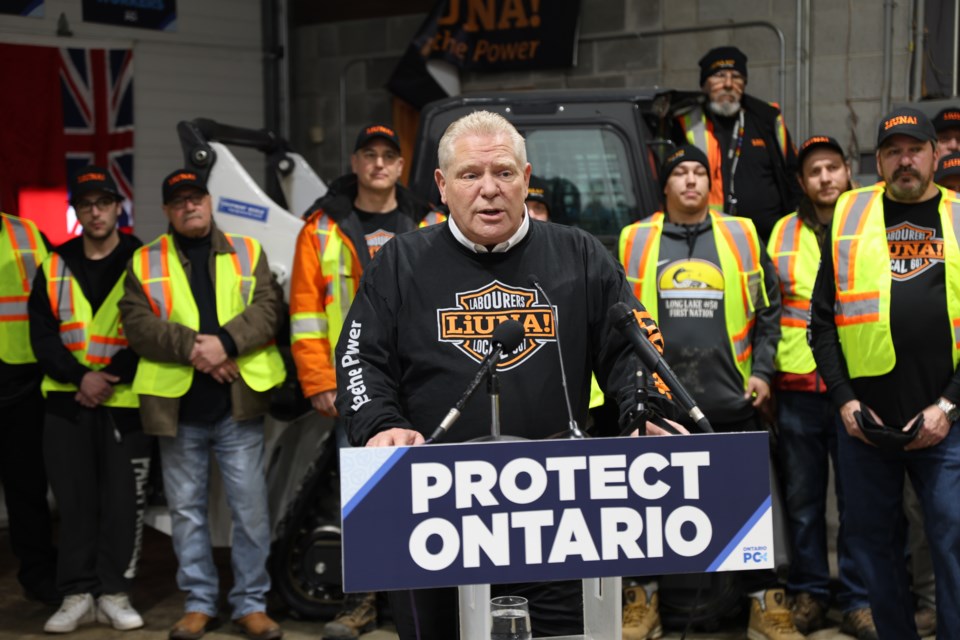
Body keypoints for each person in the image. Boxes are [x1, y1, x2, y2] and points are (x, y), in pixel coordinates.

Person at [333, 110, 675, 640]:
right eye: (471, 175)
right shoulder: (399, 262)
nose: (489, 190)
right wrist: (380, 424)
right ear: (443, 186)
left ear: (526, 178)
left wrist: (639, 412)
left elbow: (631, 345)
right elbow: (360, 359)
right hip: (434, 508)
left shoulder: (579, 255)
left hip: (559, 509)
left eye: (504, 174)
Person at [619, 145, 800, 640]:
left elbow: (769, 310)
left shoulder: (740, 233)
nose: (692, 181)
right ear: (666, 185)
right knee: (650, 505)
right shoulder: (634, 239)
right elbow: (619, 321)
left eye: (700, 171)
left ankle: (767, 604)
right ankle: (644, 599)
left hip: (733, 398)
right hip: (662, 404)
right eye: (681, 172)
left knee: (750, 505)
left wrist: (762, 372)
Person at [810, 107, 960, 639]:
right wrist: (846, 401)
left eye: (915, 149)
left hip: (945, 422)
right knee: (873, 544)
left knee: (952, 541)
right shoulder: (850, 214)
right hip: (865, 424)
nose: (905, 161)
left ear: (935, 154)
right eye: (893, 151)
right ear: (878, 160)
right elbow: (822, 323)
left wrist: (947, 407)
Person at [289, 123, 443, 640]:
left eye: (388, 156)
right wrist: (318, 379)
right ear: (355, 163)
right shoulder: (321, 228)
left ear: (400, 168)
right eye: (369, 155)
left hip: (425, 379)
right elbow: (305, 313)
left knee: (431, 493)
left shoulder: (429, 220)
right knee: (363, 495)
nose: (379, 164)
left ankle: (425, 604)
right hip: (357, 382)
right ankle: (362, 603)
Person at [118, 169, 285, 640]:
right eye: (179, 202)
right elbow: (136, 324)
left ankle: (250, 603)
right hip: (178, 411)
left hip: (237, 408)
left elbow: (270, 306)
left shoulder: (248, 250)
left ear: (209, 203)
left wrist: (226, 342)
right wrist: (199, 349)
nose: (190, 207)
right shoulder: (146, 260)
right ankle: (199, 603)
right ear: (168, 211)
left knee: (250, 510)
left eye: (197, 198)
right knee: (187, 513)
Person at [27, 166, 150, 633]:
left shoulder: (144, 260)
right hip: (67, 401)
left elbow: (155, 327)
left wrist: (112, 375)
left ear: (119, 208)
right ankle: (77, 593)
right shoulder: (54, 263)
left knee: (122, 503)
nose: (95, 212)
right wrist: (81, 376)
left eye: (104, 203)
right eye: (86, 205)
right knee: (74, 503)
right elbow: (42, 334)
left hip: (125, 401)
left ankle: (115, 593)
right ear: (77, 212)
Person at [766, 138, 877, 639]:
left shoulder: (869, 221)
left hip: (856, 386)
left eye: (833, 167)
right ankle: (810, 591)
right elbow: (769, 308)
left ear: (849, 171)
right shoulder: (782, 233)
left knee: (858, 500)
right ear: (802, 182)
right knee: (804, 500)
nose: (826, 178)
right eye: (815, 171)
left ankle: (857, 598)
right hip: (796, 388)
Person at [675, 46, 802, 243]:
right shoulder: (686, 123)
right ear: (704, 84)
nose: (728, 84)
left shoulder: (767, 119)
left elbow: (793, 172)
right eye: (719, 75)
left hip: (772, 239)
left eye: (736, 77)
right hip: (711, 237)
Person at [0, 203, 58, 606]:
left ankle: (38, 576)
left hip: (19, 386)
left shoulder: (27, 234)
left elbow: (55, 298)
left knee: (27, 489)